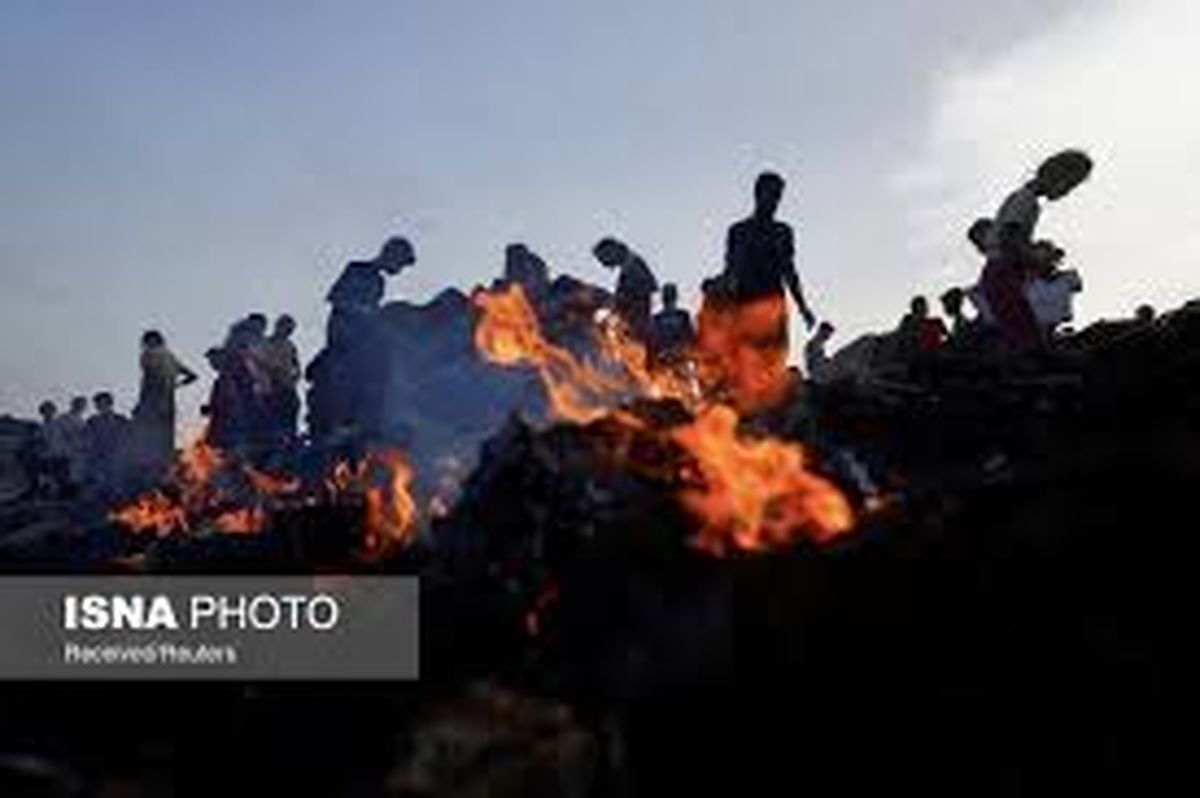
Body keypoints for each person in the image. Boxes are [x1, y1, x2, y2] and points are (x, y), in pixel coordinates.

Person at [723, 171, 817, 329]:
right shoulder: (738, 231)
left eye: (778, 196)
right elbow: (731, 270)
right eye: (771, 194)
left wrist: (803, 307)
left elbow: (790, 272)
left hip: (774, 306)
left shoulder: (783, 232)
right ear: (757, 194)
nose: (775, 201)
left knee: (774, 353)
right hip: (745, 305)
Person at [988, 149, 1093, 256]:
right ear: (1055, 176)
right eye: (1068, 185)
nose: (1066, 192)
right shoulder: (1025, 199)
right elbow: (1009, 237)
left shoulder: (1028, 201)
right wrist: (1036, 254)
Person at [132, 330, 198, 475]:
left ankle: (153, 473)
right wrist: (176, 385)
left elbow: (149, 381)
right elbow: (193, 376)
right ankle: (167, 471)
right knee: (166, 441)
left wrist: (141, 404)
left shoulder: (148, 355)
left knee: (149, 442)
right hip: (168, 404)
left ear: (150, 341)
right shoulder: (171, 357)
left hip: (151, 404)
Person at [593, 237, 658, 341]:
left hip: (638, 324)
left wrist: (622, 299)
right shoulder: (628, 267)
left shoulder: (633, 264)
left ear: (612, 250)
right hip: (632, 322)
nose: (604, 264)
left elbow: (650, 287)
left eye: (603, 259)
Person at [260, 314, 302, 443]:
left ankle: (290, 437)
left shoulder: (290, 346)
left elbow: (296, 365)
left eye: (290, 330)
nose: (288, 331)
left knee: (293, 406)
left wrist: (294, 377)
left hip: (287, 386)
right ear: (278, 326)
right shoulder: (266, 343)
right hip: (270, 387)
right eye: (286, 327)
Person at [85, 392, 131, 497]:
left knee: (117, 489)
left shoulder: (121, 420)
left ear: (110, 403)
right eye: (97, 404)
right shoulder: (92, 421)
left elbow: (130, 436)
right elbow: (87, 440)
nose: (99, 406)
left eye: (102, 403)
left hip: (117, 459)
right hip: (98, 460)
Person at [650, 283, 695, 366]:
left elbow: (690, 339)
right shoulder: (657, 318)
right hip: (664, 361)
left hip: (677, 360)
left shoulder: (683, 316)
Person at [33, 400, 71, 498]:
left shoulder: (61, 424)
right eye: (45, 411)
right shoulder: (41, 427)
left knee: (60, 479)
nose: (47, 413)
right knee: (46, 478)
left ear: (53, 411)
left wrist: (67, 453)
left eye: (49, 410)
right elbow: (38, 441)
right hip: (46, 457)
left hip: (60, 456)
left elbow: (69, 438)